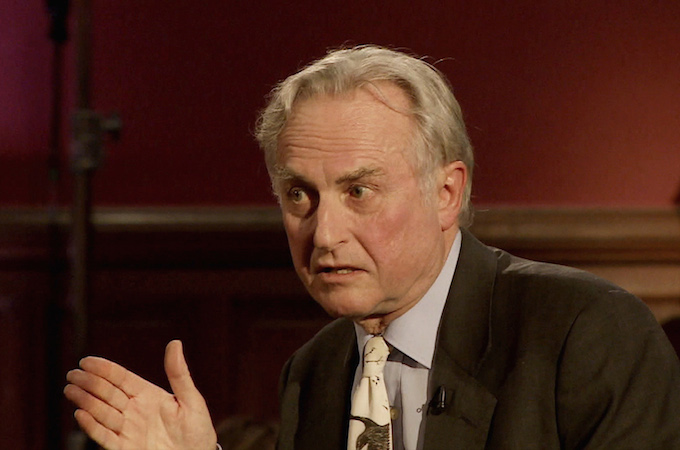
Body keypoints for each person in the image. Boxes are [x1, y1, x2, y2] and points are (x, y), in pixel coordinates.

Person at [64, 45, 680, 449]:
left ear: (446, 193)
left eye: (358, 191)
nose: (324, 234)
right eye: (300, 195)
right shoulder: (314, 373)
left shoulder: (583, 333)